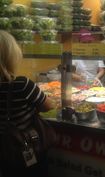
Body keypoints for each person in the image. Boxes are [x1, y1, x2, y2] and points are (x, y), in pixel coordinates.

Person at [0, 30, 54, 177]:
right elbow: (48, 106)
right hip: (26, 147)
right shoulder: (21, 84)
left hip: (4, 152)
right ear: (11, 56)